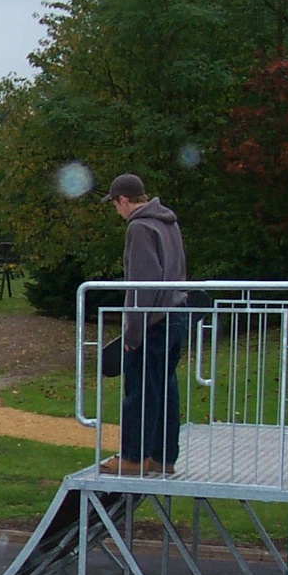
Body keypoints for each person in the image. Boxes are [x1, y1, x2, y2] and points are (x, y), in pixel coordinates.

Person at [99, 173, 189, 477]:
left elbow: (142, 283)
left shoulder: (139, 227)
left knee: (139, 388)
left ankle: (134, 457)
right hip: (177, 312)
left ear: (124, 200)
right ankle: (163, 456)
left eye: (115, 204)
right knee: (166, 386)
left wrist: (133, 333)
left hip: (154, 317)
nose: (117, 211)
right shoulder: (168, 222)